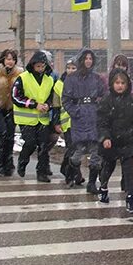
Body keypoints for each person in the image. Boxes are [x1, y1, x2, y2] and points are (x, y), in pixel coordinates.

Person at [62, 48, 105, 194]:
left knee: (95, 152)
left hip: (94, 117)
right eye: (86, 58)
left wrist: (98, 109)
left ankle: (92, 183)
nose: (88, 61)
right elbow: (66, 100)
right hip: (79, 118)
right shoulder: (71, 78)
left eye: (90, 59)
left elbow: (103, 95)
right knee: (78, 151)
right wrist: (76, 112)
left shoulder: (96, 78)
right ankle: (72, 169)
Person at [96, 68, 133, 210]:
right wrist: (105, 137)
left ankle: (131, 196)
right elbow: (102, 121)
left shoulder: (132, 101)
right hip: (111, 141)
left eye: (123, 83)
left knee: (129, 171)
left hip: (128, 140)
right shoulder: (107, 100)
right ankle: (103, 188)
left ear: (127, 85)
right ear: (112, 84)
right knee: (108, 167)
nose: (120, 85)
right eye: (117, 82)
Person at [12, 50, 58, 182]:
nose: (40, 69)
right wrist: (33, 104)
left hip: (42, 118)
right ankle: (23, 160)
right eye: (38, 66)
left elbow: (51, 97)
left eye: (43, 66)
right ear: (32, 65)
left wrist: (48, 105)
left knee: (43, 146)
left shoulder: (49, 80)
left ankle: (41, 172)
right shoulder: (23, 78)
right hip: (26, 118)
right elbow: (15, 96)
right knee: (30, 143)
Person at [55, 58, 83, 186]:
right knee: (72, 148)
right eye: (69, 68)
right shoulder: (59, 85)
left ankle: (72, 172)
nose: (71, 71)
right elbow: (55, 105)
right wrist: (56, 122)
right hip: (67, 122)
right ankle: (72, 174)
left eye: (74, 68)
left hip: (80, 121)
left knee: (77, 149)